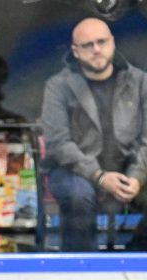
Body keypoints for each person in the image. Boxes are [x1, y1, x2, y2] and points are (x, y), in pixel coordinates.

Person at [40, 17, 147, 252]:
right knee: (78, 195)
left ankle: (136, 258)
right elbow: (59, 144)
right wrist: (99, 176)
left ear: (113, 42)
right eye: (87, 45)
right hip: (74, 171)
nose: (96, 50)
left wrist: (137, 177)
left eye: (102, 42)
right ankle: (82, 269)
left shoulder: (140, 82)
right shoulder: (58, 86)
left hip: (128, 167)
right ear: (75, 52)